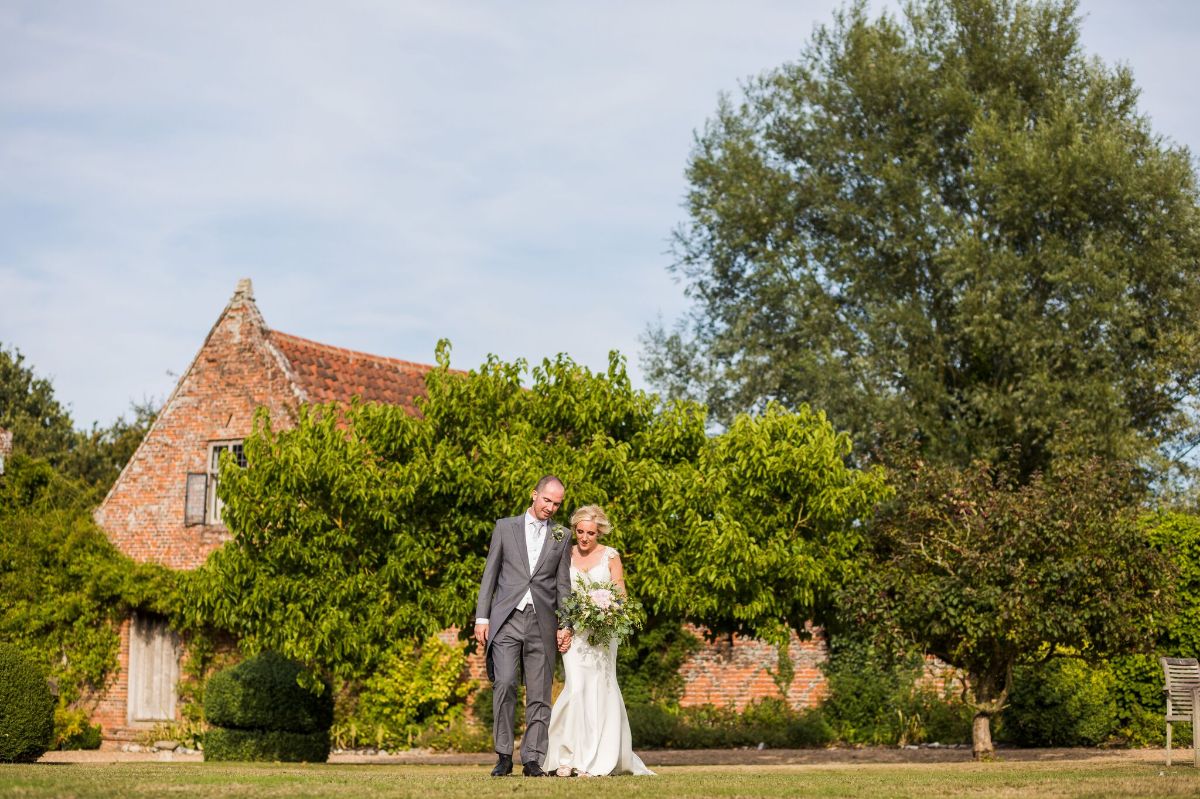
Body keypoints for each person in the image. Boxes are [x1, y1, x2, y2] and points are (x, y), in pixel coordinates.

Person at [542, 505, 654, 777]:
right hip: (575, 634)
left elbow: (621, 594)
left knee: (601, 690)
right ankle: (567, 756)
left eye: (590, 533)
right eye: (579, 531)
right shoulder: (564, 554)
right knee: (576, 689)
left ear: (599, 531)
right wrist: (564, 626)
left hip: (604, 635)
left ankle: (597, 759)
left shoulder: (611, 556)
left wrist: (607, 613)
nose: (584, 537)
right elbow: (559, 594)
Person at [474, 475, 573, 777]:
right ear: (534, 495)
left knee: (540, 692)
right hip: (506, 620)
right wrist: (482, 617)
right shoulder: (505, 527)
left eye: (557, 504)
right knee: (504, 683)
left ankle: (532, 759)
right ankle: (504, 755)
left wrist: (565, 623)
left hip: (542, 623)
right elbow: (490, 573)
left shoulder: (562, 535)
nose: (551, 508)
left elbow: (563, 584)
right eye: (547, 500)